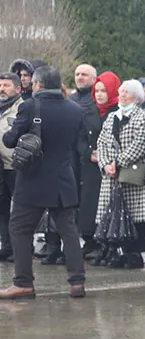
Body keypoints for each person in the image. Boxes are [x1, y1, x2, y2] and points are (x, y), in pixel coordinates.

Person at [0, 66, 87, 300]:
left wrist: (11, 131)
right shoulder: (75, 109)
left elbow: (9, 141)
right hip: (63, 179)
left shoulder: (29, 106)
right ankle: (77, 283)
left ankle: (23, 283)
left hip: (33, 180)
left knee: (19, 228)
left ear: (37, 84)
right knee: (68, 231)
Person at [95, 80, 145, 269]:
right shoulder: (112, 117)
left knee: (134, 215)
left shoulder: (143, 117)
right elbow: (102, 143)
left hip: (132, 174)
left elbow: (141, 144)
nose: (122, 95)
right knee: (112, 213)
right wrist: (105, 163)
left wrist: (118, 162)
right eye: (121, 92)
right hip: (111, 176)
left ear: (136, 97)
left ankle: (133, 253)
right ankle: (114, 250)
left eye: (126, 93)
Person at [69, 64, 104, 259]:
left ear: (93, 78)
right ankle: (84, 239)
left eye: (84, 74)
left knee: (92, 201)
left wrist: (91, 152)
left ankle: (94, 240)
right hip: (73, 159)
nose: (80, 77)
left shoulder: (95, 101)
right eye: (77, 74)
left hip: (92, 162)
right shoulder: (71, 100)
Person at [0, 73, 23, 261]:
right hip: (1, 168)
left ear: (17, 88)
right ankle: (6, 245)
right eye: (0, 85)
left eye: (6, 85)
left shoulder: (22, 107)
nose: (1, 89)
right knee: (2, 209)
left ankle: (21, 247)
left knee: (20, 210)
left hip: (17, 166)